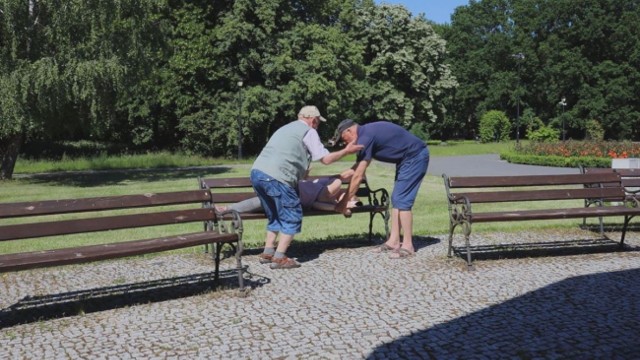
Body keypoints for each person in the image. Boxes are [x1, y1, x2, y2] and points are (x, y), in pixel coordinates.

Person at [250, 106, 363, 269]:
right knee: (293, 215)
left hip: (257, 173)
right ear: (314, 119)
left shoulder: (285, 128)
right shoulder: (308, 131)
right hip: (278, 177)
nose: (318, 125)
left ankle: (268, 252)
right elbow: (325, 159)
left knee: (274, 214)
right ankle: (279, 258)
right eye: (318, 122)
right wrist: (346, 151)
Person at [331, 119, 429, 259]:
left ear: (349, 131)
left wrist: (343, 202)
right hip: (406, 159)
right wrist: (338, 177)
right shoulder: (365, 135)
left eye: (343, 138)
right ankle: (394, 241)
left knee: (402, 200)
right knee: (397, 198)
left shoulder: (365, 137)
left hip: (415, 156)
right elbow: (357, 168)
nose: (345, 142)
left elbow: (359, 175)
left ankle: (408, 245)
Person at [217, 169, 362, 213]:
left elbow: (334, 208)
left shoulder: (319, 203)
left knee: (265, 201)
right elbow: (336, 180)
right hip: (291, 188)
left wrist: (342, 208)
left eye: (350, 200)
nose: (348, 198)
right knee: (265, 199)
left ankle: (228, 208)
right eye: (350, 198)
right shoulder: (327, 185)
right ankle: (228, 208)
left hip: (294, 198)